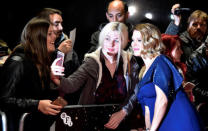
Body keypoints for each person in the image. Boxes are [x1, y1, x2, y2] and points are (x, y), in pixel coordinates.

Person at [51, 22, 143, 130]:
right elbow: (71, 85)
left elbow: (135, 91)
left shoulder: (129, 60)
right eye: (107, 39)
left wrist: (124, 111)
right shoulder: (92, 61)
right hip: (92, 122)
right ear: (102, 39)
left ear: (123, 42)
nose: (111, 44)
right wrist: (54, 76)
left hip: (121, 122)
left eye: (117, 40)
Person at [131, 23, 204, 131]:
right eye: (133, 40)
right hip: (161, 124)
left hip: (178, 123)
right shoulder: (144, 71)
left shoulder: (160, 61)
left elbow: (162, 100)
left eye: (139, 40)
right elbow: (147, 109)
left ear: (151, 41)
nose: (134, 44)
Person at [0, 17, 63, 131]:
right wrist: (36, 104)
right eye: (49, 34)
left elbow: (40, 96)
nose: (54, 36)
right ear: (37, 38)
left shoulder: (41, 61)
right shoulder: (18, 62)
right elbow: (3, 99)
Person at [165, 4, 208, 127]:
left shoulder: (206, 43)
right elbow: (167, 42)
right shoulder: (181, 40)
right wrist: (176, 21)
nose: (198, 27)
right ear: (188, 25)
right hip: (186, 92)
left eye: (202, 25)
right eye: (195, 24)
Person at [37, 8, 80, 105]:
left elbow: (75, 77)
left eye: (61, 23)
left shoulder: (69, 49)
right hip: (41, 102)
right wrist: (58, 52)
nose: (61, 28)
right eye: (56, 24)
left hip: (64, 101)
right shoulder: (36, 46)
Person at [161, 34, 195, 102]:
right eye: (178, 48)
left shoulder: (179, 67)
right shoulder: (161, 72)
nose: (181, 52)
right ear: (167, 51)